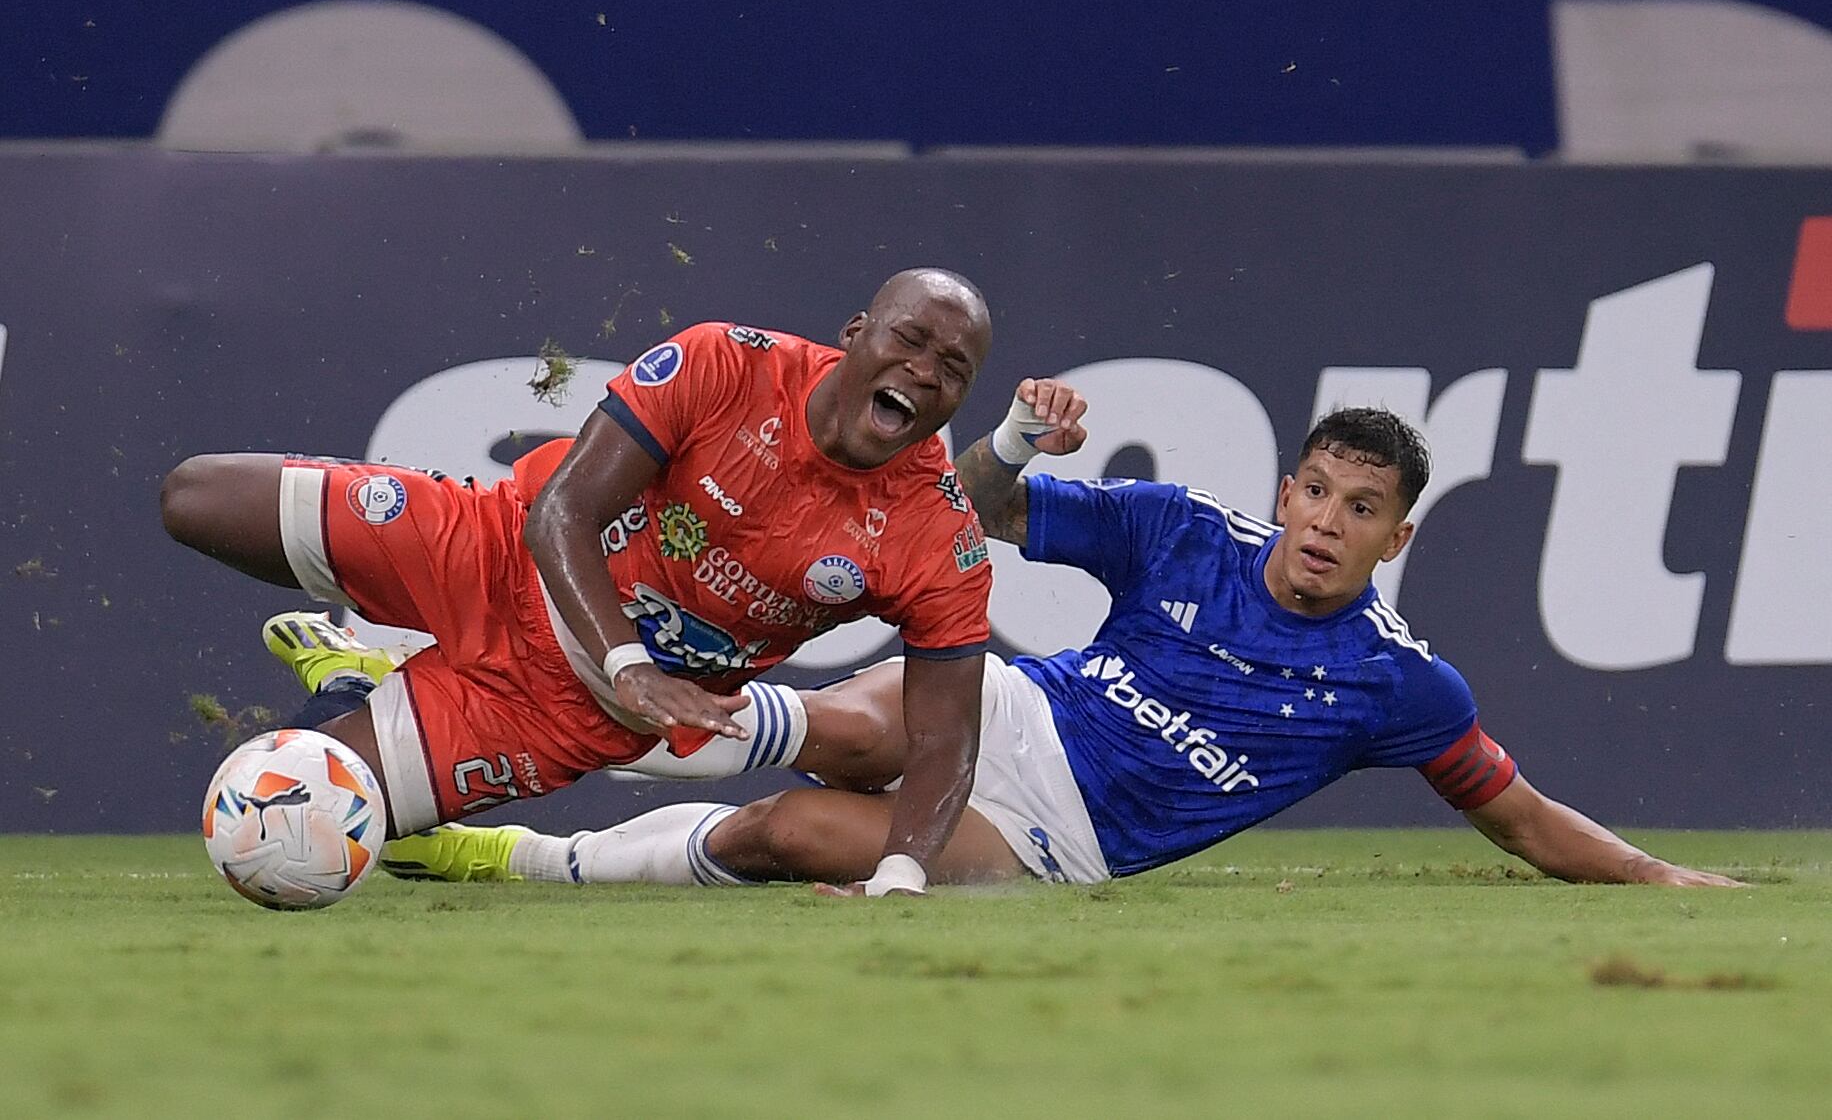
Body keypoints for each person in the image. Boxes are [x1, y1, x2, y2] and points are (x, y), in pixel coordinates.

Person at [298, 382, 1742, 892]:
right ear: (1285, 486)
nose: (1319, 523)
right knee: (863, 716)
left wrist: (1667, 874)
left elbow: (1525, 817)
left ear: (1395, 537)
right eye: (1311, 489)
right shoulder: (1183, 531)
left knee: (793, 835)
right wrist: (1009, 442)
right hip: (1017, 712)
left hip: (1071, 846)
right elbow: (968, 516)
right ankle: (455, 692)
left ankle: (522, 857)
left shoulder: (1401, 685)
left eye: (1358, 509)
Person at [162, 267, 1001, 897]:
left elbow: (942, 741)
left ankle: (352, 684)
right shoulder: (726, 365)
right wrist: (630, 661)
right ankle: (363, 672)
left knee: (292, 817)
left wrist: (900, 878)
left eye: (953, 367)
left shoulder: (938, 535)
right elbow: (560, 512)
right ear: (857, 332)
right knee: (195, 497)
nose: (926, 370)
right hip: (491, 548)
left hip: (559, 714)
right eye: (909, 340)